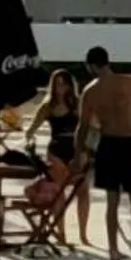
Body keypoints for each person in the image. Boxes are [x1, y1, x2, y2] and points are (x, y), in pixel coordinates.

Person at [77, 46, 131, 260]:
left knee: (112, 201)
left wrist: (78, 153)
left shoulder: (90, 91)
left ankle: (113, 250)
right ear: (108, 61)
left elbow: (82, 127)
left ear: (91, 66)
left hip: (109, 144)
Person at [28, 69, 89, 246]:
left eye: (64, 83)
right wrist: (30, 145)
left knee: (83, 191)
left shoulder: (78, 104)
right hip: (56, 152)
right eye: (57, 83)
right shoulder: (47, 107)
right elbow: (31, 129)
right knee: (59, 191)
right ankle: (61, 233)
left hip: (77, 150)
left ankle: (83, 235)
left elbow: (89, 127)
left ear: (70, 85)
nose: (60, 87)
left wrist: (87, 150)